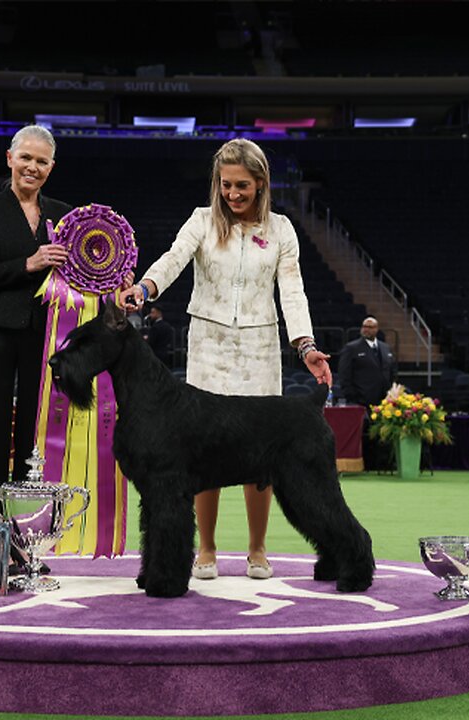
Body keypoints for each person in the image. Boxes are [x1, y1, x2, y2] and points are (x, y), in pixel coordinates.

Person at [124, 138, 332, 581]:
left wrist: (306, 346)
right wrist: (145, 289)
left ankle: (257, 549)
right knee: (202, 450)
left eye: (242, 186)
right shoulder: (201, 221)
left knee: (263, 452)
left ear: (261, 183)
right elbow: (172, 260)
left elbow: (292, 290)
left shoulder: (282, 230)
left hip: (260, 348)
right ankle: (207, 548)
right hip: (208, 345)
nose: (232, 194)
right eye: (225, 185)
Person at [0, 125, 71, 522]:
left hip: (46, 337)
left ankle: (28, 534)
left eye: (41, 161)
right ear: (10, 158)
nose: (32, 167)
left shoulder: (62, 214)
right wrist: (27, 264)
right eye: (25, 157)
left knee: (35, 438)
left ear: (51, 167)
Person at [337, 317, 397, 406]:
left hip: (384, 400)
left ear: (376, 329)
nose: (366, 330)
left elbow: (392, 370)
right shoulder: (351, 348)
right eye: (364, 327)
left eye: (370, 327)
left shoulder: (385, 347)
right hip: (360, 400)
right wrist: (352, 396)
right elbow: (344, 374)